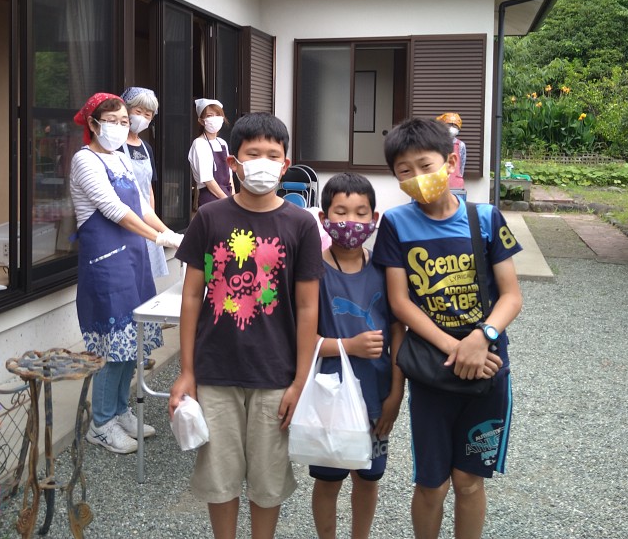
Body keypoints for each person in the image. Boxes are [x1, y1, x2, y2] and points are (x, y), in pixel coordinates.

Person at [170, 112, 323, 539]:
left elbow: (308, 306)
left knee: (268, 480)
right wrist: (186, 371)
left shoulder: (301, 224)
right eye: (253, 154)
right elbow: (191, 296)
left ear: (285, 164)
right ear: (233, 163)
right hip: (215, 370)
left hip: (275, 373)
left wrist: (300, 380)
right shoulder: (209, 217)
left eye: (272, 155)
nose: (263, 163)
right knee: (219, 477)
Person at [372, 117, 524, 539]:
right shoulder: (396, 225)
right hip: (432, 373)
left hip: (489, 369)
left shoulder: (486, 218)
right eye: (405, 170)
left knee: (469, 481)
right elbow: (400, 302)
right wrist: (456, 349)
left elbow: (511, 296)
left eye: (426, 165)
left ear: (451, 161)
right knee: (431, 484)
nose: (418, 177)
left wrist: (481, 337)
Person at [70, 92, 183, 455]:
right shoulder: (84, 160)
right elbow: (113, 208)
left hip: (134, 260)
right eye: (112, 121)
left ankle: (120, 411)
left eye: (123, 121)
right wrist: (159, 238)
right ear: (93, 124)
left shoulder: (120, 157)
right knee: (113, 344)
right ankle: (101, 424)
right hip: (105, 265)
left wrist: (170, 233)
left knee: (132, 341)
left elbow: (143, 206)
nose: (120, 127)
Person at [310, 173, 405, 539]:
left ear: (374, 218)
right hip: (329, 399)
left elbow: (398, 331)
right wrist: (348, 346)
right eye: (341, 212)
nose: (351, 221)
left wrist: (396, 394)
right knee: (328, 481)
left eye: (361, 213)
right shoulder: (313, 272)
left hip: (377, 397)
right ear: (324, 218)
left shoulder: (385, 270)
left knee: (368, 478)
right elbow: (302, 340)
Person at [119, 87, 170, 281]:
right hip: (123, 218)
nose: (142, 118)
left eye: (147, 115)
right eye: (138, 111)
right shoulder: (114, 146)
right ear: (126, 110)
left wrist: (152, 219)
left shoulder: (146, 148)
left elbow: (148, 188)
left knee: (145, 279)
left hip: (146, 219)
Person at [188, 98, 233, 211]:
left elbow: (230, 176)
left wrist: (233, 198)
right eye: (209, 115)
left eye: (218, 115)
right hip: (210, 198)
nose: (214, 118)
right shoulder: (199, 144)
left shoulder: (222, 143)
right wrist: (228, 201)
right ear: (201, 121)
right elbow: (208, 180)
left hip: (227, 195)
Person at [435, 112, 467, 191]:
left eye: (455, 126)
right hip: (438, 185)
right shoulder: (437, 144)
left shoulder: (461, 145)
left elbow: (461, 166)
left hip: (456, 185)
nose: (452, 128)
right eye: (449, 125)